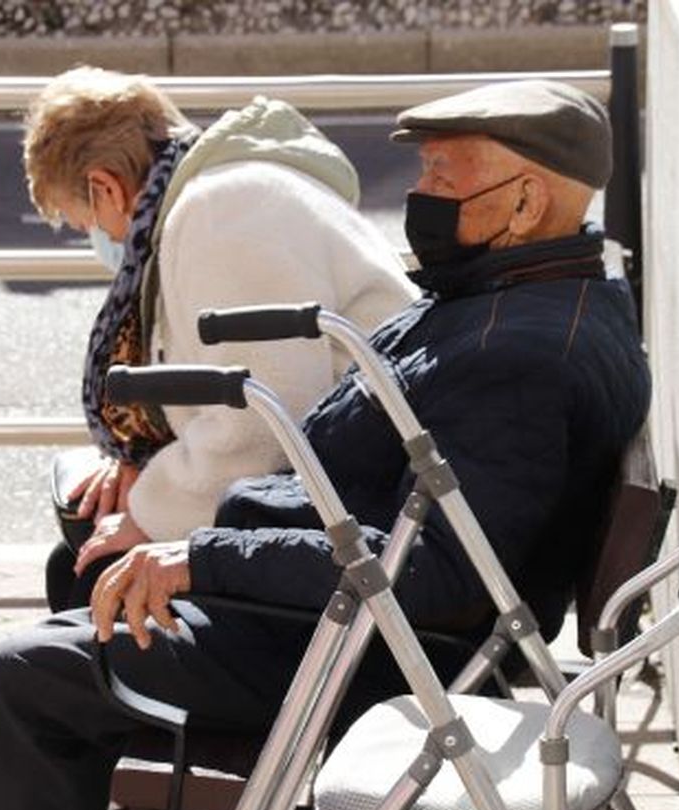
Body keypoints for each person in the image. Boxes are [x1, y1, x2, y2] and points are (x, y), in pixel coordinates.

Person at [0, 78, 650, 810]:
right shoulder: (520, 301)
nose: (419, 196)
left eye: (444, 177)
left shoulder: (509, 350)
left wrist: (203, 553)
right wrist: (208, 534)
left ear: (524, 201)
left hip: (367, 646)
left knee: (31, 671)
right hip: (346, 613)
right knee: (56, 640)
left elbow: (436, 573)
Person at [24, 67, 414, 611]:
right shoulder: (223, 197)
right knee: (81, 564)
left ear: (105, 187)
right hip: (358, 493)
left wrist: (149, 513)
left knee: (87, 578)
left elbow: (263, 420)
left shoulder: (222, 212)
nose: (104, 241)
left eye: (88, 222)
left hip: (366, 520)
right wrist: (146, 472)